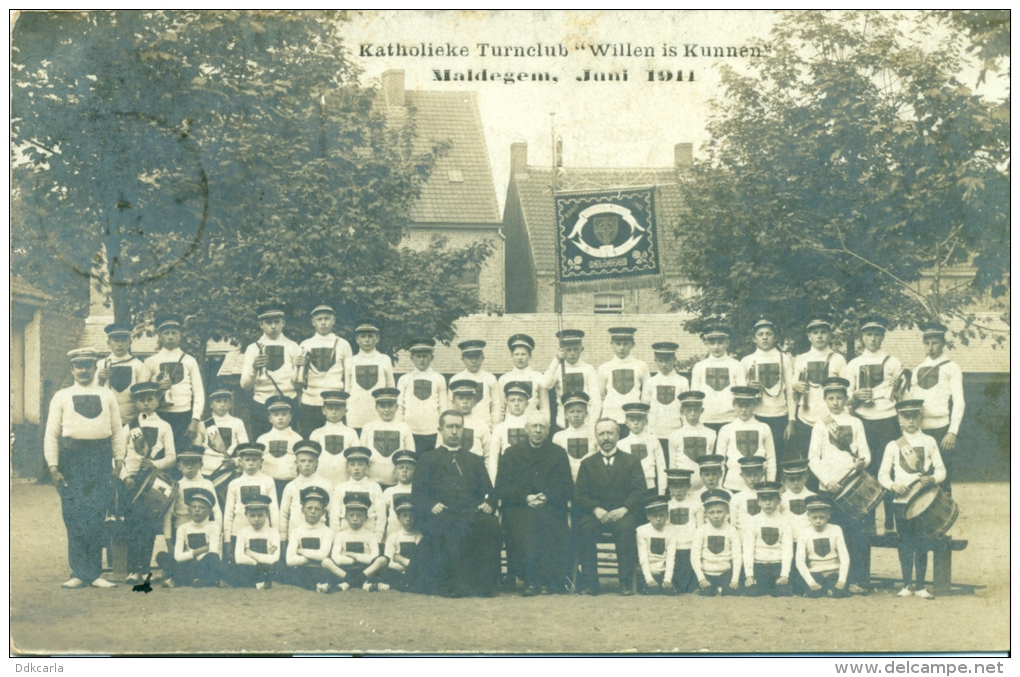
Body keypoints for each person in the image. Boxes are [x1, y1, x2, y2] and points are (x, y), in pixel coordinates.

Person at [45, 348, 125, 589]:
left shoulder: (107, 394)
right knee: (74, 515)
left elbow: (117, 430)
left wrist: (118, 460)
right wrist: (53, 466)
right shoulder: (62, 396)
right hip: (72, 461)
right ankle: (78, 572)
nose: (83, 370)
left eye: (88, 365)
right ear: (72, 369)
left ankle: (95, 573)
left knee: (97, 514)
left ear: (95, 368)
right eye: (78, 366)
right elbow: (52, 433)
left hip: (100, 459)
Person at [406, 410, 502, 598]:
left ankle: (483, 585)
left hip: (469, 513)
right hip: (443, 513)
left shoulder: (474, 460)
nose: (454, 431)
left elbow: (489, 491)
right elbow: (417, 495)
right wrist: (431, 505)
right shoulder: (428, 459)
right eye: (450, 427)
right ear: (440, 429)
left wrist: (489, 503)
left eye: (458, 427)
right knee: (447, 528)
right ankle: (451, 585)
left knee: (490, 525)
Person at [495, 411, 574, 596]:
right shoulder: (512, 453)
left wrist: (548, 497)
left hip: (550, 506)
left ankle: (547, 579)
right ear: (526, 429)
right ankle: (530, 579)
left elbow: (567, 486)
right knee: (524, 526)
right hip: (520, 507)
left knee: (549, 523)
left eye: (542, 427)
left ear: (548, 430)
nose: (538, 431)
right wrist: (525, 498)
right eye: (534, 426)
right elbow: (501, 487)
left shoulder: (558, 453)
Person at [807, 376, 871, 594]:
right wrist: (827, 481)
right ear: (825, 399)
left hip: (853, 488)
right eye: (831, 398)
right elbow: (813, 459)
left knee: (856, 535)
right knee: (832, 535)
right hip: (829, 489)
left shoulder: (856, 423)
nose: (835, 402)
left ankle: (858, 580)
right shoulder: (820, 425)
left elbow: (865, 452)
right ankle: (834, 579)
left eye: (840, 398)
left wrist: (862, 463)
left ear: (846, 399)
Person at [878, 399, 946, 599]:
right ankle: (906, 584)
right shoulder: (893, 445)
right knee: (905, 542)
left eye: (914, 416)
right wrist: (892, 485)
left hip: (923, 501)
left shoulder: (929, 441)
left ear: (920, 417)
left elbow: (942, 469)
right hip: (901, 502)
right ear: (899, 419)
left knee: (922, 542)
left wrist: (932, 478)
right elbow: (882, 475)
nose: (910, 421)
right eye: (905, 416)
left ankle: (921, 586)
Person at [573, 419, 647, 596]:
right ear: (596, 436)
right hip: (596, 515)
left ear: (618, 435)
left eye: (610, 433)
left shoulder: (631, 461)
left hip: (620, 514)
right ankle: (591, 583)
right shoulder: (587, 463)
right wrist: (596, 509)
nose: (606, 437)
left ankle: (625, 582)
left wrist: (624, 509)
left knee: (627, 528)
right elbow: (579, 495)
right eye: (601, 434)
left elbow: (640, 491)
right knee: (585, 528)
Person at [844, 314, 905, 531]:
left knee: (888, 468)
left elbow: (901, 394)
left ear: (882, 337)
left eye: (877, 334)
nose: (872, 339)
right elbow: (846, 397)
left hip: (888, 421)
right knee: (865, 470)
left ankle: (890, 520)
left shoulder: (893, 362)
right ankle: (868, 520)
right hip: (863, 421)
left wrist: (897, 389)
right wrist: (856, 396)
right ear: (862, 337)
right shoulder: (854, 364)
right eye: (868, 334)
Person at [119, 381, 177, 583]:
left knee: (148, 527)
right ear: (136, 402)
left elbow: (171, 457)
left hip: (152, 482)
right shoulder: (128, 427)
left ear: (157, 400)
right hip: (131, 482)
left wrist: (154, 464)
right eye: (141, 399)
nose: (146, 403)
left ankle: (144, 569)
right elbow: (117, 455)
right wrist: (125, 476)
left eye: (150, 399)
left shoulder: (164, 426)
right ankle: (132, 570)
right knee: (132, 526)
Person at [909, 321, 964, 494]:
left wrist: (952, 431)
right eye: (927, 343)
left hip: (941, 429)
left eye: (935, 342)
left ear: (943, 343)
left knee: (943, 475)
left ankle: (946, 517)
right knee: (921, 474)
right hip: (920, 429)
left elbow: (959, 401)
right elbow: (910, 401)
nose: (931, 347)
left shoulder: (951, 367)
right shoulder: (916, 370)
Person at [238, 303, 302, 440]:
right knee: (262, 445)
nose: (273, 326)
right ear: (261, 324)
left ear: (283, 323)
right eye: (268, 322)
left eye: (277, 322)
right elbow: (245, 385)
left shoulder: (293, 346)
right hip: (261, 405)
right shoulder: (253, 348)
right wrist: (254, 368)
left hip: (287, 404)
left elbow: (298, 384)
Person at [142, 313, 205, 451]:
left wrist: (195, 420)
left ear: (180, 335)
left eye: (174, 333)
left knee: (181, 454)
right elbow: (140, 393)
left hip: (184, 416)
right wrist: (157, 388)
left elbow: (198, 392)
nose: (170, 337)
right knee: (159, 453)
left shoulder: (190, 360)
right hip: (159, 415)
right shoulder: (151, 361)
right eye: (166, 333)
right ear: (159, 336)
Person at [791, 314, 847, 463]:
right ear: (809, 336)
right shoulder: (801, 359)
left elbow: (846, 391)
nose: (819, 336)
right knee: (809, 459)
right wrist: (794, 386)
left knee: (831, 458)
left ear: (829, 335)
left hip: (831, 419)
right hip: (806, 418)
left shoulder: (838, 359)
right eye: (815, 333)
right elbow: (792, 390)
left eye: (823, 332)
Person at [741, 314, 796, 466]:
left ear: (775, 337)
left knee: (776, 457)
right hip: (756, 415)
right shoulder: (746, 361)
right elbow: (739, 394)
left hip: (779, 417)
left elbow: (790, 391)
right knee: (757, 455)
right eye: (760, 334)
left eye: (768, 334)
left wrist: (791, 420)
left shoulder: (783, 358)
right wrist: (748, 387)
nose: (764, 338)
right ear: (754, 338)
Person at [296, 302, 352, 436]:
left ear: (333, 320)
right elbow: (298, 379)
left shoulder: (343, 344)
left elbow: (349, 377)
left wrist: (347, 402)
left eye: (326, 318)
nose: (323, 323)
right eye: (319, 319)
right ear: (313, 322)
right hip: (310, 402)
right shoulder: (305, 344)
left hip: (335, 403)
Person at [222, 443, 279, 564]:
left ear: (261, 461)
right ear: (240, 461)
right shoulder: (234, 483)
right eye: (247, 460)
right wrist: (228, 540)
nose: (251, 463)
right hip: (238, 531)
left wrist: (275, 535)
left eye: (255, 460)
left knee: (263, 562)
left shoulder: (268, 481)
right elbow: (228, 512)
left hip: (262, 533)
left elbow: (273, 510)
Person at [323, 492, 390, 592]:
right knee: (326, 562)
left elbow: (373, 557)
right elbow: (336, 558)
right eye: (351, 515)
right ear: (345, 517)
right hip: (345, 570)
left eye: (359, 515)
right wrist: (354, 560)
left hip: (365, 570)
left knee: (382, 560)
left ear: (366, 517)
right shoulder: (341, 535)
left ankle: (347, 583)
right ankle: (362, 583)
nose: (355, 519)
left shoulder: (370, 536)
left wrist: (353, 555)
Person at [157, 487, 223, 588]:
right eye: (194, 507)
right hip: (187, 564)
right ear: (189, 510)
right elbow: (178, 557)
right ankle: (198, 580)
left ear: (209, 511)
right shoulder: (183, 528)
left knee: (213, 558)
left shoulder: (213, 527)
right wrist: (203, 549)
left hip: (202, 564)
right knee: (162, 556)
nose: (197, 510)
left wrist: (190, 554)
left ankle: (177, 580)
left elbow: (212, 552)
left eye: (201, 507)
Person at [717, 386, 777, 493]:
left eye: (747, 406)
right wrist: (720, 486)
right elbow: (720, 461)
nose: (744, 410)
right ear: (734, 405)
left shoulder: (764, 427)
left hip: (759, 485)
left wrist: (770, 484)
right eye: (740, 406)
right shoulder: (726, 429)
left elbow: (771, 459)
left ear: (754, 404)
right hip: (732, 485)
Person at [163, 446, 222, 554]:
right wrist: (168, 541)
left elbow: (217, 511)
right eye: (185, 463)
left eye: (193, 463)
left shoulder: (207, 484)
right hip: (181, 532)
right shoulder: (176, 486)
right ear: (179, 466)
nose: (189, 467)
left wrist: (216, 534)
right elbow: (168, 515)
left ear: (201, 465)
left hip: (204, 531)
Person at [540, 329, 601, 430]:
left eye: (575, 349)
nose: (572, 353)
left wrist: (591, 424)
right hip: (562, 423)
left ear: (581, 349)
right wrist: (556, 359)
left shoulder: (588, 369)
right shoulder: (558, 368)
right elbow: (544, 384)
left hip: (585, 424)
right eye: (568, 350)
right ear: (562, 350)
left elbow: (596, 401)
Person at [742, 480, 793, 597]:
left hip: (777, 565)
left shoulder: (784, 521)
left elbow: (787, 549)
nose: (768, 503)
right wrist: (749, 575)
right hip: (759, 566)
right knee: (752, 591)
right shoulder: (753, 520)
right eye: (764, 499)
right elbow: (748, 549)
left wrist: (784, 574)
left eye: (772, 499)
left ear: (778, 500)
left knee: (783, 592)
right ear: (758, 502)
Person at [690, 324, 745, 432]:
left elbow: (741, 395)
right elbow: (695, 397)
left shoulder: (736, 365)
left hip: (731, 420)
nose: (716, 347)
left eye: (720, 342)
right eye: (712, 343)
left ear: (727, 343)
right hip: (705, 420)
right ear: (707, 343)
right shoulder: (699, 366)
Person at [397, 337, 447, 454]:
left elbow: (443, 408)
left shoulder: (439, 378)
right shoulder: (404, 379)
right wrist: (401, 428)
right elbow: (399, 407)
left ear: (432, 357)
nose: (421, 360)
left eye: (425, 356)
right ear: (411, 358)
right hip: (410, 430)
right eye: (418, 356)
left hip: (432, 431)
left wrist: (441, 432)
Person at [344, 319, 395, 433]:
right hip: (356, 413)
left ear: (377, 338)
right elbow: (347, 389)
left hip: (378, 413)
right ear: (357, 339)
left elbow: (390, 389)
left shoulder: (384, 359)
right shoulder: (350, 361)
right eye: (363, 336)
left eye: (370, 336)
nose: (367, 339)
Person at [277, 440, 332, 548]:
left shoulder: (326, 485)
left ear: (317, 462)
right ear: (296, 463)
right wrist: (283, 539)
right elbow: (284, 515)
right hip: (295, 538)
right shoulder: (291, 486)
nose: (306, 464)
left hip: (319, 536)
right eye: (302, 461)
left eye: (310, 461)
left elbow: (332, 514)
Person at [597, 327, 651, 432]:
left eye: (625, 343)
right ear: (611, 344)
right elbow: (600, 396)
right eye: (618, 343)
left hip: (633, 420)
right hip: (611, 419)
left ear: (632, 344)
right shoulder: (604, 368)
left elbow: (647, 396)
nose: (621, 347)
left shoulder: (641, 366)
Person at [283, 486, 335, 593]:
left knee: (330, 571)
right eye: (309, 508)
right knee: (279, 567)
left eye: (317, 509)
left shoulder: (327, 531)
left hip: (319, 570)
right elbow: (289, 560)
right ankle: (317, 586)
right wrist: (313, 558)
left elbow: (323, 555)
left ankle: (312, 585)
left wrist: (302, 551)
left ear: (323, 513)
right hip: (302, 570)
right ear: (302, 510)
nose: (313, 512)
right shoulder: (296, 532)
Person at [328, 447, 386, 543]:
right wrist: (336, 537)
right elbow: (334, 515)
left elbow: (381, 515)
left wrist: (377, 538)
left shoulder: (374, 487)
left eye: (360, 464)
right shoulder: (340, 488)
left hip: (369, 536)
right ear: (347, 467)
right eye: (352, 464)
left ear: (367, 466)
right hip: (344, 536)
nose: (356, 468)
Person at [796, 496, 850, 598]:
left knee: (839, 593)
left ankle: (829, 589)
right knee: (813, 593)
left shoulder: (836, 529)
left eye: (822, 517)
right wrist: (811, 582)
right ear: (808, 516)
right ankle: (825, 589)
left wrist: (841, 579)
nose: (818, 521)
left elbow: (844, 557)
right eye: (814, 517)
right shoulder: (804, 532)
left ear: (828, 515)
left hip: (833, 573)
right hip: (815, 572)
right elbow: (800, 561)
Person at [691, 488, 742, 596]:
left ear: (727, 512)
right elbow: (695, 556)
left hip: (726, 573)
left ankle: (720, 588)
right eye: (711, 512)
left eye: (719, 511)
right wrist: (701, 579)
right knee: (706, 592)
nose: (715, 516)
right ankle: (715, 588)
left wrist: (735, 579)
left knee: (732, 591)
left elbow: (737, 556)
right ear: (705, 513)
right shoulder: (701, 531)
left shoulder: (731, 530)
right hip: (707, 574)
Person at [359, 387, 413, 487]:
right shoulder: (368, 427)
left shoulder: (404, 428)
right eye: (382, 406)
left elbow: (410, 456)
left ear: (397, 407)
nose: (386, 410)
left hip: (396, 483)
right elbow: (362, 457)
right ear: (376, 407)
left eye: (390, 405)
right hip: (371, 483)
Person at [643, 341, 689, 455]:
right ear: (655, 361)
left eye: (667, 360)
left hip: (675, 431)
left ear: (674, 360)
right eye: (660, 360)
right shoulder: (650, 382)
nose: (664, 364)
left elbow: (685, 409)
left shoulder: (682, 381)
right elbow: (645, 409)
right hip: (655, 432)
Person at [308, 390, 360, 488]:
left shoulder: (350, 433)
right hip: (321, 479)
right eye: (330, 408)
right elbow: (311, 458)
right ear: (324, 410)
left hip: (344, 480)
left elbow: (355, 458)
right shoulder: (317, 433)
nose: (334, 412)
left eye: (338, 408)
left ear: (345, 411)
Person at [667, 391, 717, 492]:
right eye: (689, 410)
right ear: (682, 411)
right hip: (681, 488)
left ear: (702, 410)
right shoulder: (675, 435)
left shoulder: (711, 434)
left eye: (696, 410)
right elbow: (672, 465)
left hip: (704, 487)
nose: (693, 413)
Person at [196, 386, 248, 482]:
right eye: (218, 401)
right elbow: (196, 450)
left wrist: (236, 461)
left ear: (230, 404)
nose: (222, 404)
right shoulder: (202, 424)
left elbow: (245, 449)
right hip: (206, 470)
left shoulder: (237, 423)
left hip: (229, 470)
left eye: (226, 401)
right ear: (211, 404)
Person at [255, 395, 302, 499]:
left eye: (284, 414)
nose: (280, 418)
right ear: (270, 418)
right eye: (276, 414)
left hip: (290, 482)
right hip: (268, 483)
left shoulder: (297, 438)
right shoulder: (262, 439)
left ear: (290, 417)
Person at [96, 322, 145, 422]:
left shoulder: (138, 364)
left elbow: (143, 394)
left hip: (131, 419)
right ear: (108, 343)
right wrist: (100, 380)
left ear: (130, 343)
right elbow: (93, 393)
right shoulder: (101, 364)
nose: (120, 344)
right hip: (107, 419)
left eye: (124, 340)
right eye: (115, 340)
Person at [617, 402, 668, 495]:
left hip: (650, 488)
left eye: (639, 419)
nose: (636, 423)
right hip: (629, 488)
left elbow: (661, 467)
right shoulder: (621, 444)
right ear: (626, 423)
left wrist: (662, 492)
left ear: (646, 421)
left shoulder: (653, 441)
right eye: (632, 420)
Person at [449, 340, 503, 427]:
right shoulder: (455, 380)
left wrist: (495, 427)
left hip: (485, 427)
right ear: (463, 359)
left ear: (482, 358)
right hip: (461, 427)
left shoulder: (490, 379)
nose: (473, 361)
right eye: (470, 357)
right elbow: (451, 406)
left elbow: (496, 406)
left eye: (477, 357)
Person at [231, 494, 280, 589]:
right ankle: (259, 585)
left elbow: (274, 559)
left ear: (267, 514)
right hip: (250, 569)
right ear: (246, 515)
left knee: (278, 567)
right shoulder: (242, 533)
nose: (256, 519)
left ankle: (251, 584)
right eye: (252, 516)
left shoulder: (273, 533)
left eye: (260, 515)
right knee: (236, 568)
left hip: (267, 569)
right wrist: (259, 563)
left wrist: (250, 553)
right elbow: (238, 558)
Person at [664, 468, 701, 593]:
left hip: (690, 548)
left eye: (682, 486)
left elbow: (700, 529)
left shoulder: (696, 505)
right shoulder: (666, 506)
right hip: (672, 549)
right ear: (669, 487)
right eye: (674, 487)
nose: (678, 490)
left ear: (688, 486)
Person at [497, 334, 549, 420]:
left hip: (533, 425)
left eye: (523, 354)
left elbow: (544, 407)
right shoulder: (504, 379)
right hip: (511, 425)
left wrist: (545, 428)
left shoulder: (538, 377)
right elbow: (501, 409)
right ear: (512, 356)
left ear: (530, 356)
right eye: (516, 354)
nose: (520, 358)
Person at [489, 381, 532, 483]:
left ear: (527, 403)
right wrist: (495, 484)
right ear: (506, 403)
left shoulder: (533, 426)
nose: (516, 404)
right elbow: (493, 459)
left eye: (520, 400)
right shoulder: (499, 428)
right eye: (512, 400)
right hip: (507, 476)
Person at [551, 391, 598, 482]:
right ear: (565, 415)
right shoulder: (558, 437)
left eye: (579, 411)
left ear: (586, 414)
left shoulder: (593, 434)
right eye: (572, 412)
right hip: (566, 481)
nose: (575, 415)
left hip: (590, 480)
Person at [636, 493, 678, 595]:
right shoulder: (641, 531)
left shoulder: (671, 531)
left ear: (667, 515)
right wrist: (649, 579)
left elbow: (670, 557)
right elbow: (643, 557)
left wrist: (667, 579)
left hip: (662, 572)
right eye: (655, 516)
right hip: (646, 572)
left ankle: (664, 583)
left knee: (670, 591)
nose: (658, 519)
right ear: (648, 516)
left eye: (662, 515)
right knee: (650, 590)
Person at [381, 493, 422, 591]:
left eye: (411, 516)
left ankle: (393, 586)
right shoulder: (393, 537)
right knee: (383, 570)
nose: (408, 519)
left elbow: (421, 565)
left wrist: (401, 560)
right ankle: (404, 584)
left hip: (414, 573)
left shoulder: (419, 536)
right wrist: (410, 566)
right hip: (398, 572)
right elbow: (389, 562)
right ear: (398, 518)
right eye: (404, 516)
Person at [449, 379, 492, 467]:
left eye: (469, 398)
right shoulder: (447, 423)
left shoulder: (482, 425)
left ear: (475, 402)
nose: (465, 402)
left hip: (475, 470)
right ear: (453, 402)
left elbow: (489, 456)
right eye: (460, 398)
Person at [381, 450, 416, 539]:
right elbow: (382, 516)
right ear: (394, 472)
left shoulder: (419, 491)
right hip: (392, 534)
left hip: (414, 534)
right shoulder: (389, 491)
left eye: (409, 468)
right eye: (401, 467)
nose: (404, 471)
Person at [730, 455, 767, 534]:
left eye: (756, 475)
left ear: (762, 474)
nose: (752, 479)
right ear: (742, 475)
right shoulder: (736, 498)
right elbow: (732, 525)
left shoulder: (768, 497)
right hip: (742, 540)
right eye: (748, 475)